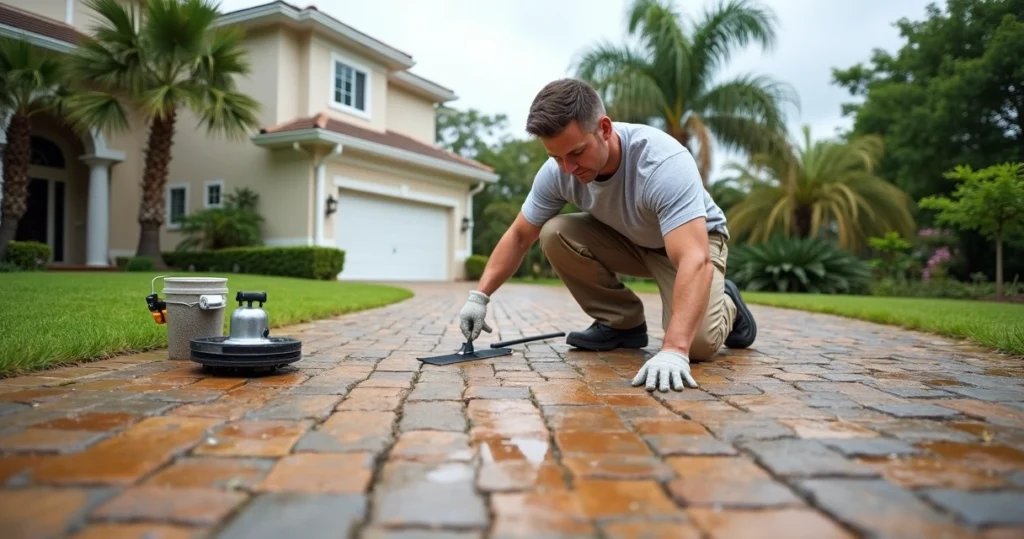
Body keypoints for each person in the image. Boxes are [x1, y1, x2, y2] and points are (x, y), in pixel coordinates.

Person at [458, 78, 757, 392]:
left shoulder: (661, 162)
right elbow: (520, 236)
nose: (568, 169)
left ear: (604, 128)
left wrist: (673, 350)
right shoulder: (558, 171)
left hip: (695, 243)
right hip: (629, 238)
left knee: (696, 346)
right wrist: (479, 296)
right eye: (556, 157)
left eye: (576, 153)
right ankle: (621, 325)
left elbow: (695, 259)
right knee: (555, 232)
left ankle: (727, 305)